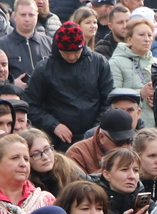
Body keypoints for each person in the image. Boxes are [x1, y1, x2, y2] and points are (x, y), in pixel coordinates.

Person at [23, 22, 112, 150]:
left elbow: (108, 100)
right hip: (59, 139)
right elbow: (30, 104)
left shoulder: (99, 63)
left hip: (95, 136)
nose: (71, 57)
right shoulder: (44, 69)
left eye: (76, 52)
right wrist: (53, 125)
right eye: (66, 53)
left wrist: (96, 129)